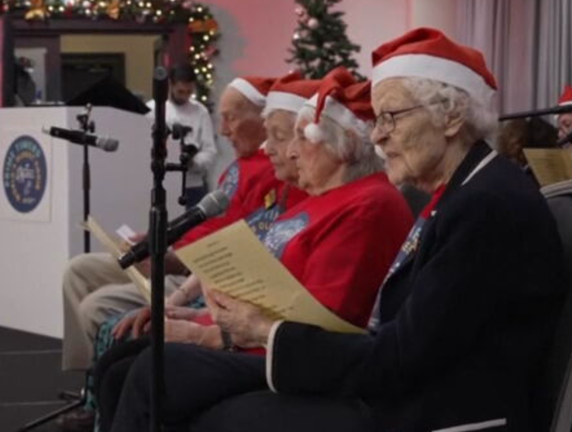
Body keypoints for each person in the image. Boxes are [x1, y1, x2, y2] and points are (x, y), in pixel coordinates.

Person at [116, 29, 565, 432]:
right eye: (378, 121)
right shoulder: (464, 191)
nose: (378, 136)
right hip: (414, 389)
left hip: (446, 412)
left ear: (451, 117)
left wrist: (265, 332)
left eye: (392, 117)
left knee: (224, 413)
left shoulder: (485, 204)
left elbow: (403, 355)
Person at [108, 66, 417, 432]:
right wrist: (195, 317)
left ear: (344, 145)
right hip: (256, 341)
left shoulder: (369, 204)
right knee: (124, 362)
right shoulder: (321, 199)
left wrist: (205, 335)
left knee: (154, 369)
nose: (288, 152)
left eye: (301, 138)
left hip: (285, 358)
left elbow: (325, 320)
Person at [61, 75, 277, 374]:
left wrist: (169, 261)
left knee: (96, 306)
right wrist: (157, 240)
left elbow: (232, 251)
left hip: (194, 272)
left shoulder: (272, 173)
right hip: (180, 258)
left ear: (265, 120)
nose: (223, 130)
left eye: (231, 118)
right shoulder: (241, 166)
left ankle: (98, 382)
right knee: (78, 269)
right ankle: (86, 373)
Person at [145, 64, 217, 206]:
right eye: (180, 91)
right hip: (161, 183)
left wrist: (193, 162)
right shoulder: (152, 109)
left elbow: (210, 151)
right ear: (170, 85)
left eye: (189, 92)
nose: (185, 96)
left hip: (193, 185)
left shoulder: (200, 111)